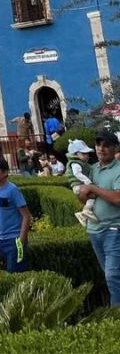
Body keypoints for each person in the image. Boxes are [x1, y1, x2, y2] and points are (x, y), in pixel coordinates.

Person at [76, 130, 120, 306]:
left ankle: (116, 314)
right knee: (109, 274)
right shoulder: (93, 169)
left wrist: (93, 189)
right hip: (94, 230)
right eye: (98, 145)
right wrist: (83, 192)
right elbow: (84, 198)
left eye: (106, 145)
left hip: (113, 229)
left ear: (115, 148)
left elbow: (117, 198)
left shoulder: (118, 169)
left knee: (113, 275)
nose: (101, 149)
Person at [65, 139, 97, 226]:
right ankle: (86, 211)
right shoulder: (75, 163)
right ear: (75, 154)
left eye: (87, 153)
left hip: (80, 186)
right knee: (95, 194)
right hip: (78, 186)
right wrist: (88, 182)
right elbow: (77, 173)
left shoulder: (82, 163)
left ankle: (84, 213)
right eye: (83, 153)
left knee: (92, 198)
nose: (87, 155)